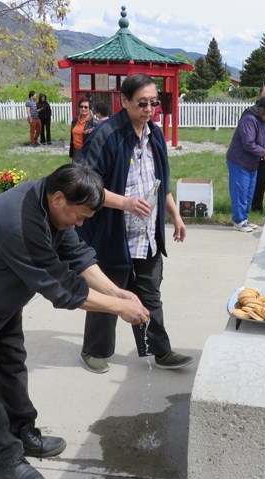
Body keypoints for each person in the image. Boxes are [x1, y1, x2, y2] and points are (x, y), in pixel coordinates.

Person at [0, 163, 149, 479]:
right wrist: (120, 308)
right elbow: (63, 290)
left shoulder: (51, 201)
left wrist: (116, 292)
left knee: (13, 366)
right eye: (78, 216)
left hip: (0, 297)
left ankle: (22, 432)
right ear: (59, 198)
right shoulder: (19, 223)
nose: (79, 223)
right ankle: (4, 458)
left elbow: (76, 255)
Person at [77, 72, 194, 373]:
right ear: (124, 101)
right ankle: (94, 350)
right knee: (108, 296)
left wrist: (175, 216)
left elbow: (161, 182)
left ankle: (159, 351)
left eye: (153, 103)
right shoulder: (106, 135)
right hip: (113, 233)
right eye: (141, 103)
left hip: (147, 234)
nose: (148, 109)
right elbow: (86, 188)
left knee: (150, 295)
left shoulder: (155, 135)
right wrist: (125, 203)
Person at [226, 94, 265, 232]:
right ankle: (238, 221)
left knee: (249, 192)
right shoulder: (249, 119)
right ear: (262, 110)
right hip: (239, 160)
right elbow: (248, 143)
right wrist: (263, 153)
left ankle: (244, 219)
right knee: (240, 192)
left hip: (252, 162)